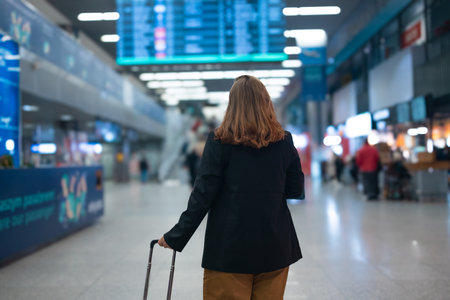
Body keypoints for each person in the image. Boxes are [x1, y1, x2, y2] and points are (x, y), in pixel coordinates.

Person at [157, 75, 305, 300]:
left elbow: (202, 196)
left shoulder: (219, 141)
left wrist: (176, 236)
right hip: (275, 248)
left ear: (232, 105)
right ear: (266, 102)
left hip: (229, 251)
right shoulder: (284, 141)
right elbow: (295, 190)